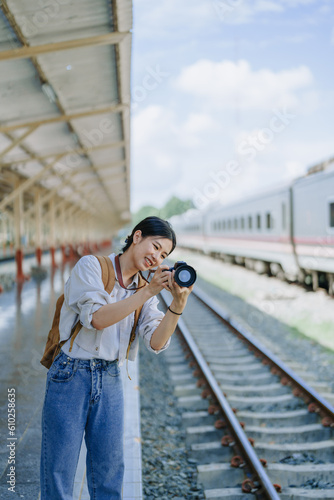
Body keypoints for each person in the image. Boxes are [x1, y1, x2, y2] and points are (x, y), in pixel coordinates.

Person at [40, 216, 194, 500]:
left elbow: (157, 342)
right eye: (155, 247)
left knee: (109, 471)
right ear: (136, 237)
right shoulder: (91, 266)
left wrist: (177, 305)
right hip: (71, 375)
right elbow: (97, 318)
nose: (156, 257)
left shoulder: (145, 290)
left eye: (163, 255)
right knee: (59, 470)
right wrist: (148, 290)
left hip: (110, 377)